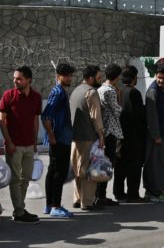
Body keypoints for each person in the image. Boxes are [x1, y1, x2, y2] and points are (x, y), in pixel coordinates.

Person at [0, 65, 42, 224]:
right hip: (14, 146)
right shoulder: (8, 96)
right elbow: (1, 120)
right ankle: (19, 211)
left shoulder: (36, 97)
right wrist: (9, 142)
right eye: (14, 78)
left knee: (26, 178)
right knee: (15, 180)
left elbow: (36, 121)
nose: (15, 81)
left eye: (19, 79)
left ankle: (20, 208)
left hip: (29, 145)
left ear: (28, 80)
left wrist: (35, 141)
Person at [42, 63, 76, 218]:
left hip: (61, 138)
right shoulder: (58, 92)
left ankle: (50, 205)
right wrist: (51, 135)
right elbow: (46, 115)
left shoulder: (61, 91)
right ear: (58, 76)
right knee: (59, 173)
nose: (69, 78)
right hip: (59, 139)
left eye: (70, 75)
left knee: (53, 171)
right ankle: (56, 206)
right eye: (66, 75)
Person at [70, 65, 106, 211]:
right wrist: (101, 135)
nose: (100, 80)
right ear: (91, 78)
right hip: (88, 137)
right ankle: (87, 202)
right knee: (90, 170)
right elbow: (96, 117)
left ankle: (77, 198)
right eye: (98, 77)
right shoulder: (91, 92)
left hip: (75, 137)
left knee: (77, 169)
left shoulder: (76, 90)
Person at [113, 65, 146, 203]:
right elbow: (140, 115)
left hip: (119, 135)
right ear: (134, 78)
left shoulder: (118, 91)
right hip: (133, 136)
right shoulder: (134, 93)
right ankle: (133, 194)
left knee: (120, 166)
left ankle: (118, 192)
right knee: (134, 167)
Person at [96, 63, 123, 206]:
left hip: (102, 129)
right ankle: (101, 195)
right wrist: (119, 97)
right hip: (111, 131)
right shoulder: (111, 91)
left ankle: (98, 194)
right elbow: (117, 110)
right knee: (107, 164)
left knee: (102, 163)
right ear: (117, 77)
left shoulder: (100, 89)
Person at [144, 67, 164, 202]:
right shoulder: (153, 91)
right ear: (155, 76)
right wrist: (156, 135)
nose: (161, 80)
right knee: (153, 165)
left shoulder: (162, 90)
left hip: (162, 134)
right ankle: (152, 192)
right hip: (156, 136)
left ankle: (159, 190)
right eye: (159, 77)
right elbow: (152, 116)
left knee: (160, 164)